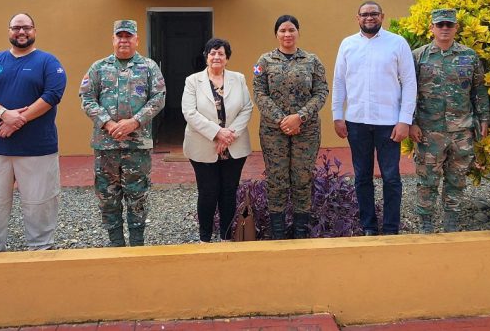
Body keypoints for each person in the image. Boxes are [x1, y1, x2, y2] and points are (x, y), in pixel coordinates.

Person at [0, 13, 67, 252]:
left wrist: (17, 119)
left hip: (38, 148)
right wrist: (4, 114)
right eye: (16, 28)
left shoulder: (48, 61)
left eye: (26, 28)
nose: (21, 32)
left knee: (40, 202)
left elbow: (53, 95)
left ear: (34, 30)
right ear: (9, 31)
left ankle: (41, 250)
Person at [79, 19, 166, 247]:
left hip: (136, 146)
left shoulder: (149, 67)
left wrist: (134, 122)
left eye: (128, 36)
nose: (124, 40)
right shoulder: (98, 68)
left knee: (138, 197)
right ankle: (116, 245)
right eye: (120, 36)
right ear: (113, 39)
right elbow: (87, 98)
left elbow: (159, 98)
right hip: (105, 147)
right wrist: (108, 123)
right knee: (108, 197)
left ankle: (137, 246)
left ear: (136, 40)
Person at [332, 1, 416, 235]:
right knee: (362, 177)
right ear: (357, 17)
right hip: (356, 122)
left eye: (374, 14)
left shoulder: (397, 43)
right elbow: (339, 81)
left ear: (382, 16)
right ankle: (368, 226)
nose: (369, 18)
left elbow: (409, 82)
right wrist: (337, 115)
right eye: (365, 14)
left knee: (391, 177)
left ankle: (390, 228)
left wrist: (405, 120)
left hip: (389, 123)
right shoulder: (348, 44)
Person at [410, 8, 489, 233]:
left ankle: (451, 221)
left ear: (456, 28)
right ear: (432, 28)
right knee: (427, 179)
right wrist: (412, 121)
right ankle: (425, 222)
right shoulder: (419, 56)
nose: (444, 28)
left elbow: (479, 90)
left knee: (457, 178)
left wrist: (484, 118)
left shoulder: (469, 56)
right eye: (440, 24)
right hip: (428, 130)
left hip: (461, 130)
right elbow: (408, 92)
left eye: (449, 25)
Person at [253, 15, 329, 239]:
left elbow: (321, 92)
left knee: (302, 179)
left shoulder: (312, 60)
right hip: (273, 132)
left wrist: (300, 117)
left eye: (291, 30)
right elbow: (259, 93)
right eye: (283, 30)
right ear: (276, 34)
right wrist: (282, 120)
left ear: (298, 32)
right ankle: (278, 235)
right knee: (276, 179)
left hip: (306, 131)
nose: (287, 34)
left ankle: (300, 233)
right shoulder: (264, 62)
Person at [182, 37, 253, 242]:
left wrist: (229, 135)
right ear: (206, 57)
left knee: (229, 192)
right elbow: (189, 112)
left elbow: (247, 108)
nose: (216, 57)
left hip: (234, 145)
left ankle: (226, 238)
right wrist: (217, 133)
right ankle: (205, 239)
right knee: (208, 192)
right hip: (203, 145)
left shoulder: (238, 78)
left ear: (227, 58)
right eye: (212, 53)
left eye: (221, 53)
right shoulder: (193, 81)